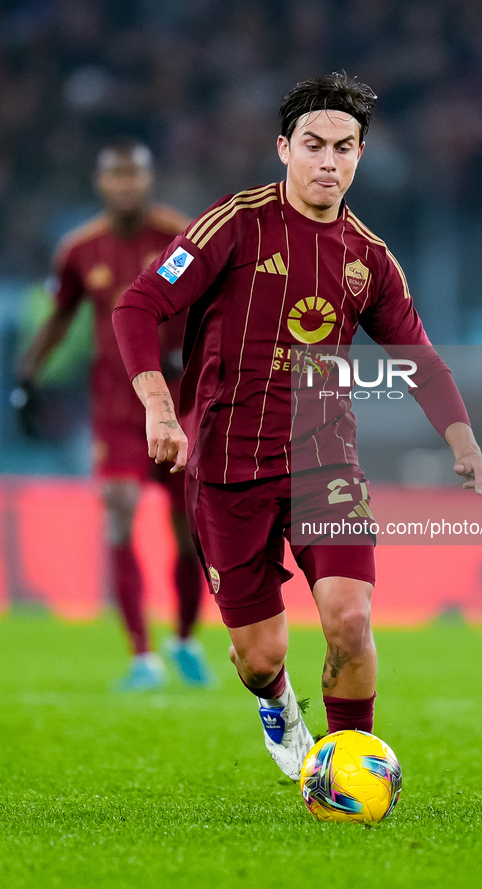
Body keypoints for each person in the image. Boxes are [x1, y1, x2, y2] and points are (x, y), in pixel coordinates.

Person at [113, 74, 482, 777]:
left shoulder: (370, 259)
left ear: (360, 156)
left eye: (344, 148)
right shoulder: (234, 223)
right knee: (258, 656)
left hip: (325, 464)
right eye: (314, 145)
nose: (328, 161)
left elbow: (421, 360)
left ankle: (349, 767)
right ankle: (277, 701)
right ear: (284, 148)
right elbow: (137, 307)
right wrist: (159, 406)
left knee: (350, 620)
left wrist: (464, 442)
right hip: (227, 468)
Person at [15, 138, 213, 691]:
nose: (125, 185)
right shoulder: (80, 251)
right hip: (116, 409)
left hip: (177, 404)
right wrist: (26, 374)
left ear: (149, 179)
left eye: (134, 175)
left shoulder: (180, 239)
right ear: (101, 183)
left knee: (188, 531)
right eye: (115, 177)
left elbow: (215, 303)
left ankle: (184, 638)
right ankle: (142, 656)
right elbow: (60, 316)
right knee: (119, 508)